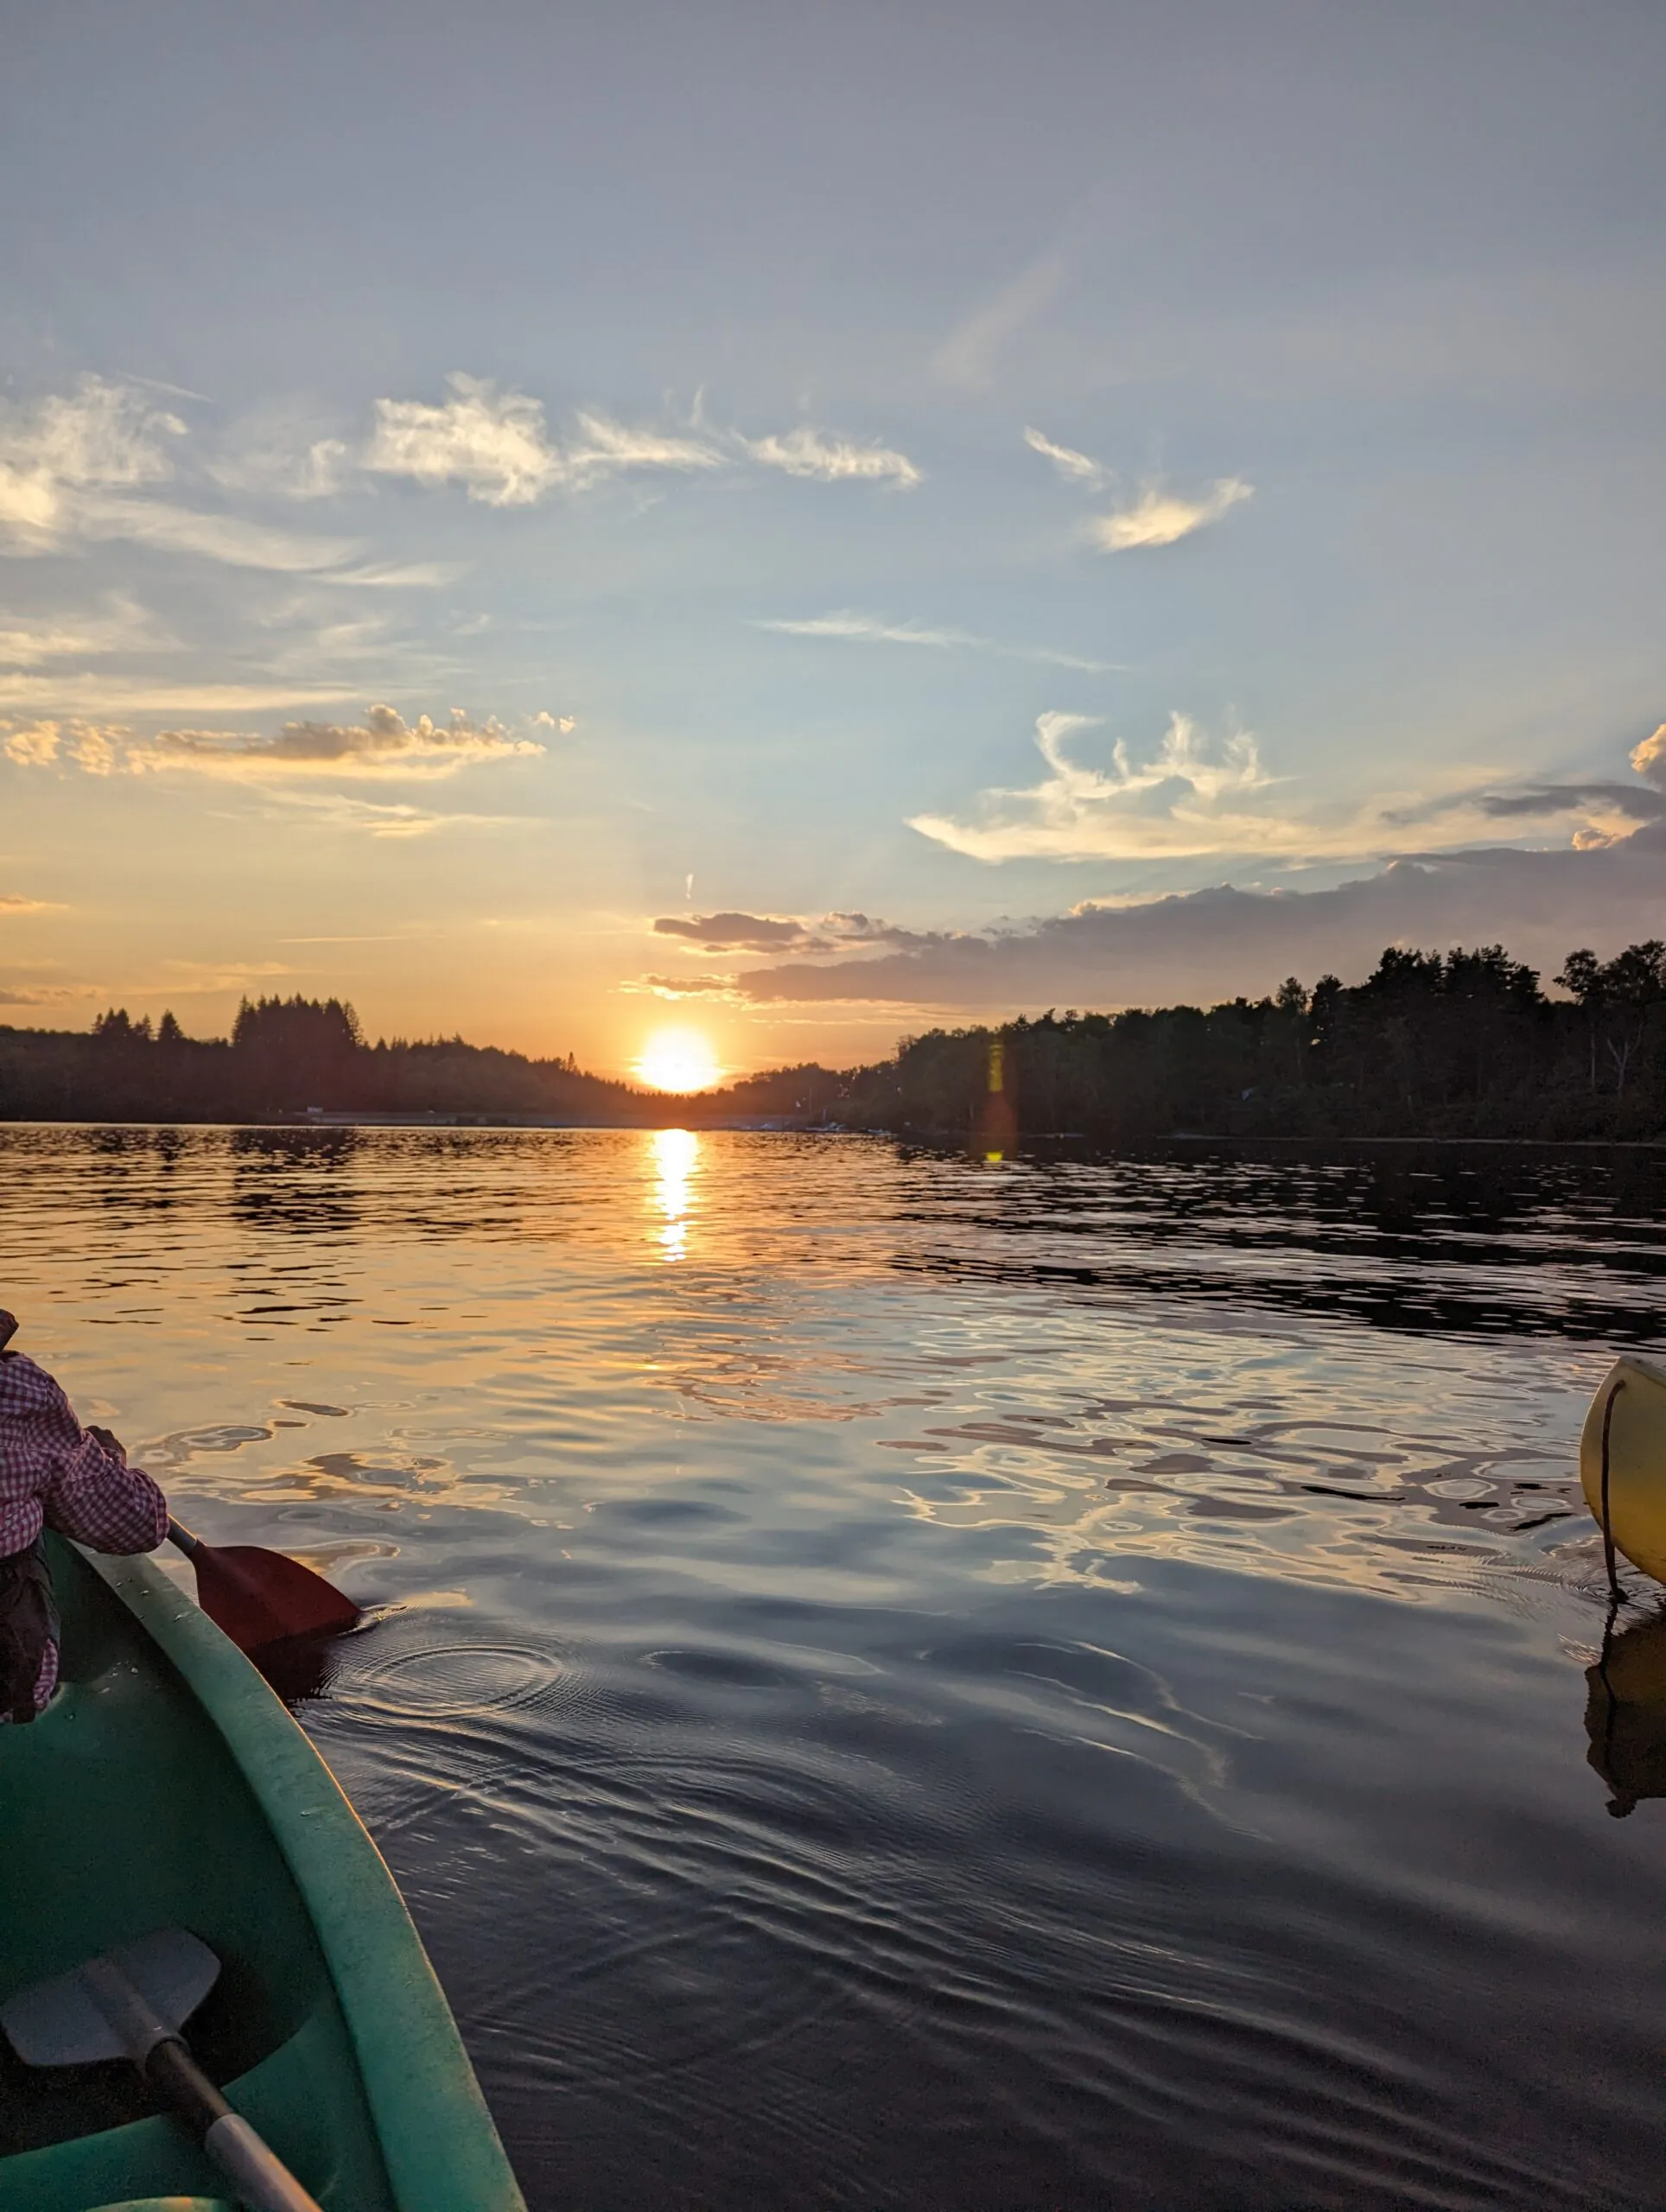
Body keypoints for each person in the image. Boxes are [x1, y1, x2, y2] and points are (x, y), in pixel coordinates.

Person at [0, 1308, 169, 1722]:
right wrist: (103, 1458)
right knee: (37, 1509)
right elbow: (138, 1526)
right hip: (7, 1681)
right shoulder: (15, 1388)